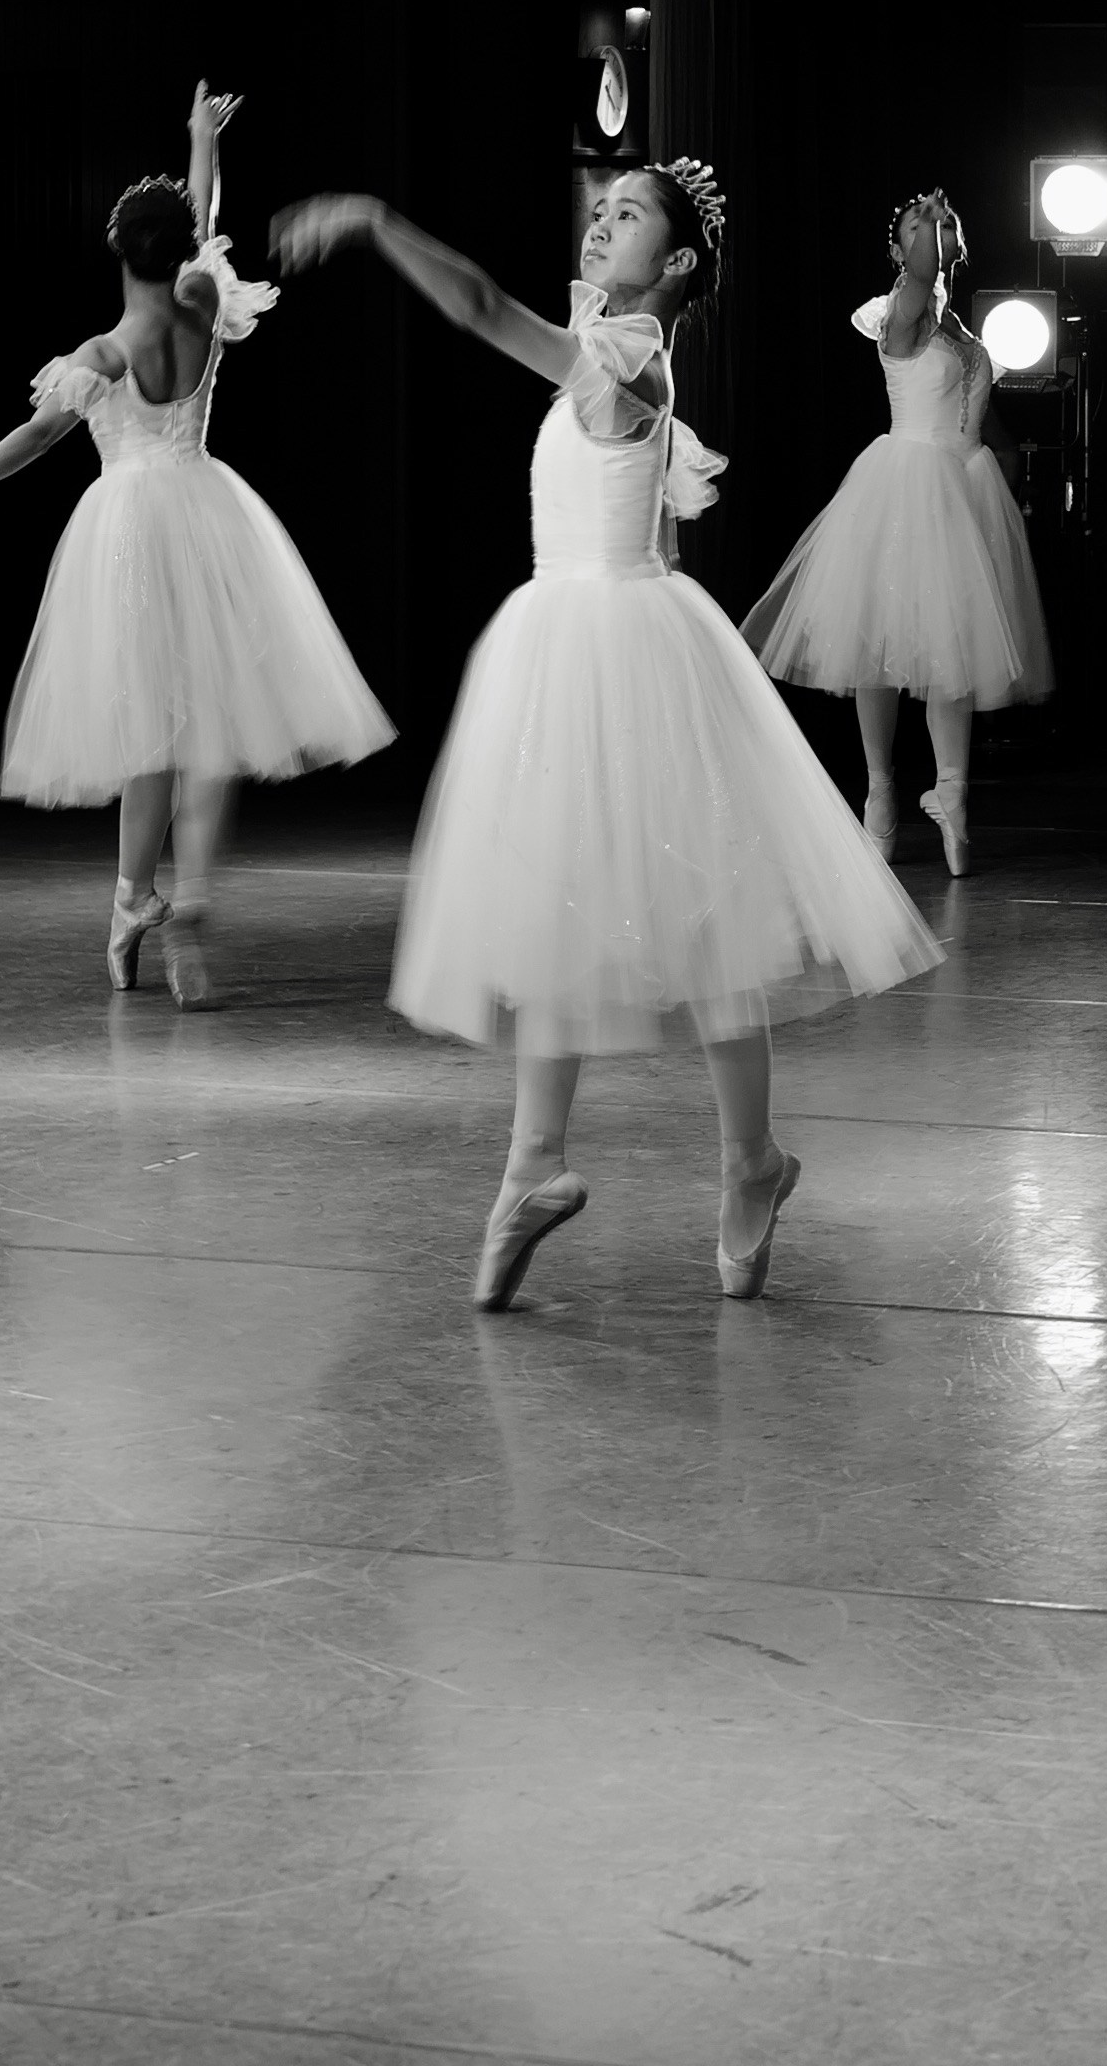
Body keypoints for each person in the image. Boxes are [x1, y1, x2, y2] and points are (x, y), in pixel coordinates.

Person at [273, 162, 937, 1308]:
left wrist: (379, 221)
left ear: (673, 265)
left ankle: (745, 1163)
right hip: (576, 648)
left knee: (706, 924)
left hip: (615, 650)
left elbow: (481, 310)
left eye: (625, 216)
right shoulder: (615, 352)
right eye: (598, 206)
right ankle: (536, 1166)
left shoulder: (629, 354)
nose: (599, 221)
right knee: (557, 902)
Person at [0, 82, 390, 1004]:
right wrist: (201, 143)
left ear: (114, 250)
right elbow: (206, 221)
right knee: (204, 730)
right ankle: (186, 928)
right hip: (207, 511)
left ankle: (137, 898)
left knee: (154, 731)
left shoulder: (105, 351)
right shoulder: (205, 302)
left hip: (130, 530)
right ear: (177, 250)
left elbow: (43, 436)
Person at [738, 189, 1052, 872]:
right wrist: (928, 246)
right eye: (918, 228)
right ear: (900, 250)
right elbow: (919, 279)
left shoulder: (965, 338)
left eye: (942, 224)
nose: (934, 233)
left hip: (960, 491)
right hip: (903, 486)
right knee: (877, 645)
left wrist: (1001, 466)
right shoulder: (901, 315)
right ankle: (879, 794)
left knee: (953, 652)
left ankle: (953, 797)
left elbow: (982, 419)